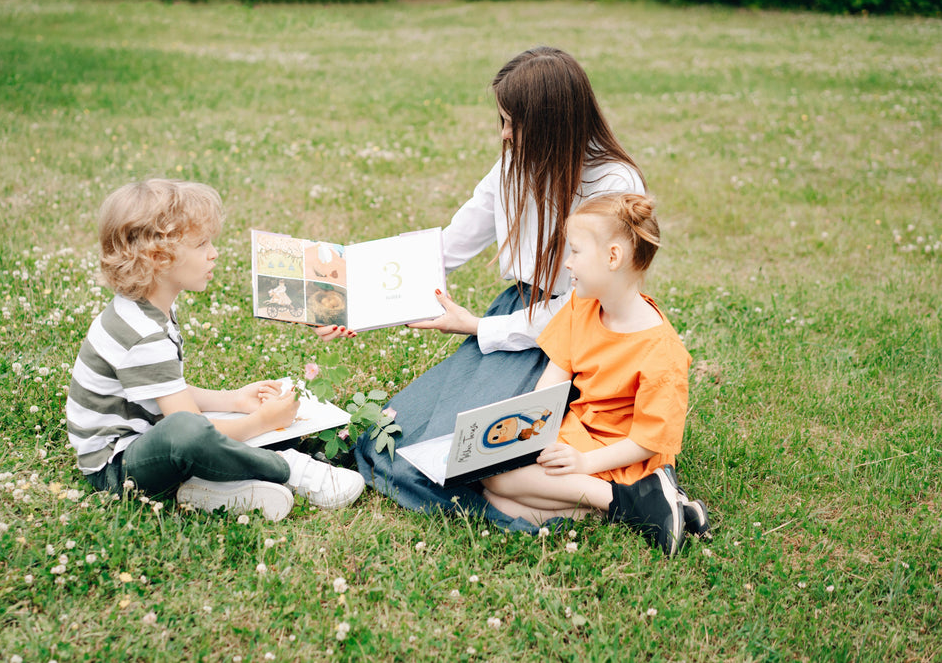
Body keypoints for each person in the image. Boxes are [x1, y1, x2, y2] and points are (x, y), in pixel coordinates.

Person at [320, 47, 647, 532]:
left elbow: (588, 310)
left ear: (553, 123)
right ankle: (547, 503)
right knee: (384, 437)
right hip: (517, 317)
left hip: (578, 343)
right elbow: (446, 248)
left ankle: (596, 503)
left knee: (452, 459)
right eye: (502, 120)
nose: (504, 134)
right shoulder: (514, 164)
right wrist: (357, 299)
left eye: (513, 122)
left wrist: (475, 325)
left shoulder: (612, 184)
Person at [67, 179, 365, 521]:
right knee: (191, 431)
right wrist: (259, 422)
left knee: (208, 424)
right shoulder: (141, 333)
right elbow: (187, 427)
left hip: (146, 442)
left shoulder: (149, 310)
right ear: (158, 258)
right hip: (116, 472)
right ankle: (285, 468)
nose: (214, 252)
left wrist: (233, 399)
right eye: (201, 244)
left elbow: (164, 392)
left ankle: (213, 489)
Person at [482, 193, 707, 556]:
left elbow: (649, 441)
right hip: (577, 435)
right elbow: (553, 379)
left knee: (499, 481)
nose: (567, 264)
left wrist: (586, 463)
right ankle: (645, 509)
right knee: (497, 496)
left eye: (575, 252)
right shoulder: (581, 304)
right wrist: (529, 433)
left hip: (620, 457)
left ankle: (634, 496)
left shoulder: (661, 351)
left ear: (613, 257)